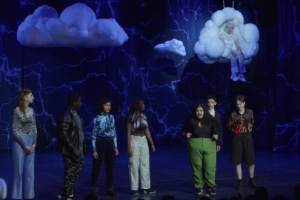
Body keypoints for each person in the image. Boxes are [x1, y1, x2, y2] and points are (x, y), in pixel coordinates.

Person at [181, 104, 219, 197]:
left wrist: (216, 136)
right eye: (197, 110)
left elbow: (217, 131)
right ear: (195, 111)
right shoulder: (191, 121)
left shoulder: (211, 120)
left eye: (201, 110)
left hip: (209, 144)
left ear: (204, 111)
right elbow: (182, 132)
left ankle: (211, 187)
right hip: (194, 144)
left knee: (210, 166)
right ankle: (199, 187)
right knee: (197, 166)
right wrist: (186, 135)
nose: (199, 112)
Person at [56, 92, 86, 200]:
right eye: (79, 101)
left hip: (78, 147)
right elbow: (63, 135)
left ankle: (67, 193)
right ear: (74, 103)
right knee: (70, 171)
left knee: (79, 167)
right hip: (69, 150)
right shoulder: (66, 115)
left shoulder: (76, 114)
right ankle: (68, 194)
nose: (81, 103)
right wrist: (73, 149)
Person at [226, 95, 256, 195]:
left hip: (247, 136)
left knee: (250, 159)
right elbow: (229, 126)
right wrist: (236, 131)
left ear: (244, 103)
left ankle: (251, 180)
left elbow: (252, 123)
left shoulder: (250, 112)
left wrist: (246, 130)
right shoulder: (233, 115)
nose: (239, 106)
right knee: (237, 160)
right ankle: (240, 182)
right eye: (237, 104)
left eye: (240, 104)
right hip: (237, 136)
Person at [126, 97, 156, 196]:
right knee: (134, 164)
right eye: (141, 104)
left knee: (145, 163)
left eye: (144, 104)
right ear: (136, 105)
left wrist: (151, 143)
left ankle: (146, 187)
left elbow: (147, 130)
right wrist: (129, 147)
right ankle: (134, 188)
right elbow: (128, 132)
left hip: (143, 140)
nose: (144, 105)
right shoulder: (130, 117)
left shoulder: (144, 116)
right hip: (134, 139)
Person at [11, 88, 37, 200]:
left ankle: (29, 195)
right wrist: (24, 145)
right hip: (20, 142)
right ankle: (17, 196)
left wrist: (34, 143)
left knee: (30, 172)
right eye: (31, 95)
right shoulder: (16, 111)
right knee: (19, 172)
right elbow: (14, 130)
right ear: (25, 97)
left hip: (31, 141)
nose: (33, 97)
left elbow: (35, 127)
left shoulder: (31, 110)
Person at [90, 98, 119, 199]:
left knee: (110, 167)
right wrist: (94, 150)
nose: (108, 107)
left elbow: (114, 133)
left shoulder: (112, 118)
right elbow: (93, 136)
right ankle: (95, 189)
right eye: (106, 105)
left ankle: (110, 188)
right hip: (100, 142)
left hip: (110, 142)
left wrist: (115, 147)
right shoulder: (96, 119)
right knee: (97, 167)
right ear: (102, 106)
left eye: (110, 105)